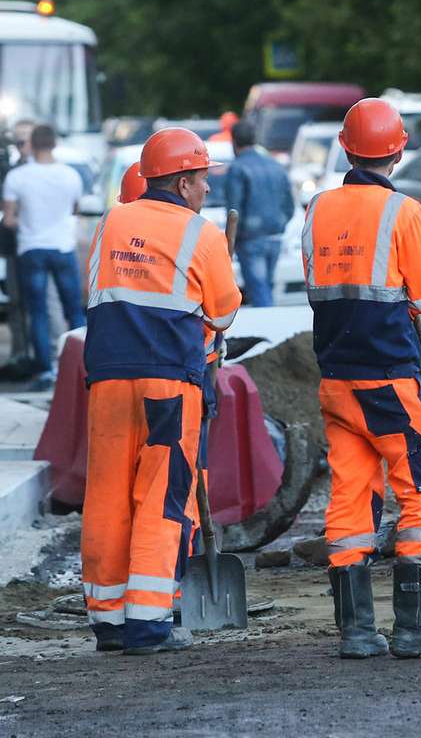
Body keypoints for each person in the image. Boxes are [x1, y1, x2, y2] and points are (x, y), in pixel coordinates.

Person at [303, 97, 421, 659]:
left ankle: (356, 632)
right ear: (399, 149)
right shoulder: (404, 213)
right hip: (387, 377)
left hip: (335, 377)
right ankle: (417, 625)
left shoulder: (317, 208)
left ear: (346, 147)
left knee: (352, 497)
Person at [80, 128, 241, 655]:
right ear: (181, 181)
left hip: (106, 377)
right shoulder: (202, 234)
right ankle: (149, 623)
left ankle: (108, 620)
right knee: (161, 497)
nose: (207, 190)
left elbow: (100, 291)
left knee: (105, 495)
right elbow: (222, 314)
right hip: (168, 383)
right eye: (202, 180)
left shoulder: (112, 221)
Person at [1, 124, 86, 390]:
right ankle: (84, 366)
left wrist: (27, 220)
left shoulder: (17, 177)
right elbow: (75, 209)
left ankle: (47, 370)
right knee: (74, 310)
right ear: (54, 143)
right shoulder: (70, 175)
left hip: (32, 248)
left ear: (32, 144)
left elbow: (10, 219)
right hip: (63, 247)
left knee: (36, 312)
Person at [224, 120, 294, 306]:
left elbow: (233, 211)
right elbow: (289, 204)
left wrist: (231, 240)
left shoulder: (238, 168)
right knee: (266, 287)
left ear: (234, 142)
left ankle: (269, 331)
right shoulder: (275, 165)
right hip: (275, 235)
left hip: (250, 239)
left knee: (259, 291)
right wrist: (280, 223)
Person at [0, 118, 36, 379]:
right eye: (18, 140)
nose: (21, 145)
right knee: (15, 303)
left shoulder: (43, 173)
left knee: (39, 304)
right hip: (14, 247)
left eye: (25, 139)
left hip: (35, 247)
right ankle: (19, 354)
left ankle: (39, 356)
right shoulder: (11, 171)